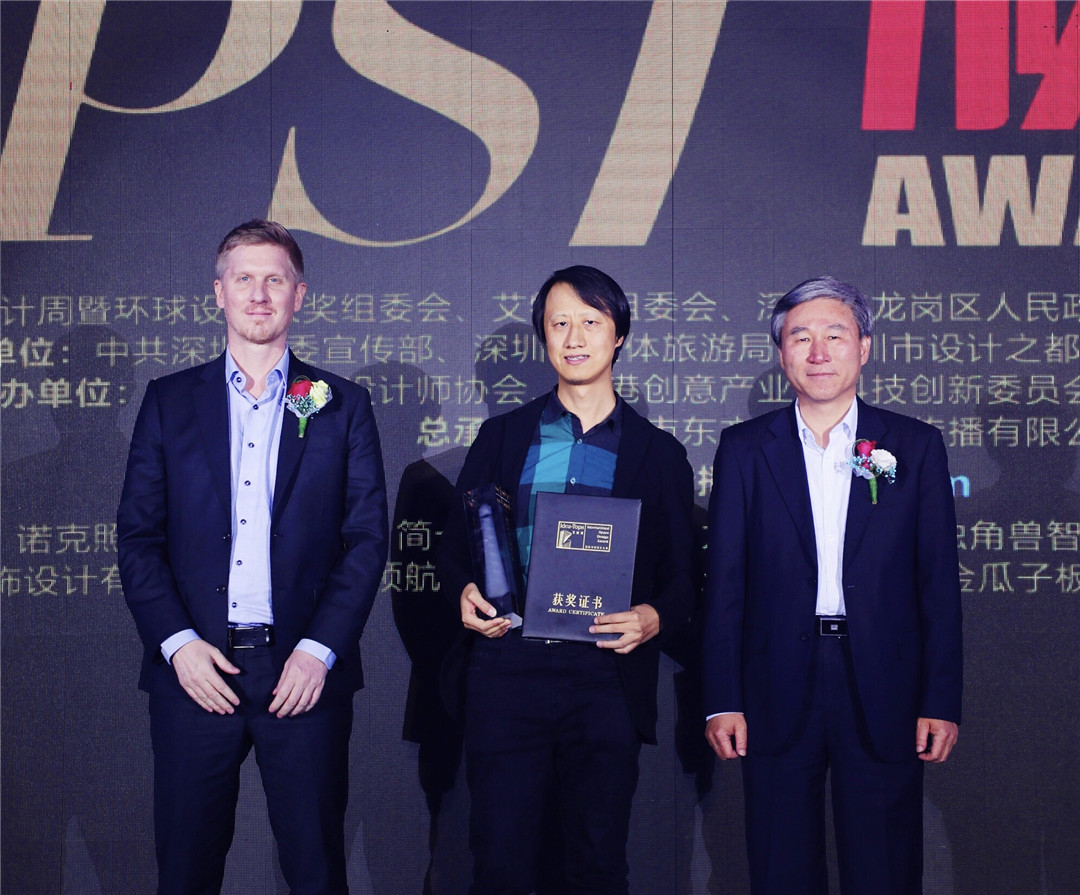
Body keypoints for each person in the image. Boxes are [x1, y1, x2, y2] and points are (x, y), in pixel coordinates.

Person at [117, 219, 388, 895]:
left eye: (275, 279)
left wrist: (318, 651)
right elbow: (139, 538)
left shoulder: (340, 405)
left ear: (299, 294)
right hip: (196, 673)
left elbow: (365, 540)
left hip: (300, 673)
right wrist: (178, 646)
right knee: (185, 871)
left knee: (317, 870)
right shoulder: (170, 400)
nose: (259, 294)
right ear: (219, 292)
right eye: (244, 278)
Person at [437, 265, 695, 895]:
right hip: (508, 667)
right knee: (499, 862)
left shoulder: (659, 453)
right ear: (544, 337)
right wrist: (465, 591)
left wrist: (654, 617)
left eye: (590, 321)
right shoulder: (503, 437)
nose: (574, 338)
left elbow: (684, 579)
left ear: (618, 335)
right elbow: (456, 548)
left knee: (596, 863)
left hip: (605, 675)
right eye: (559, 324)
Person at [701, 276, 963, 895]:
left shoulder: (913, 445)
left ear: (864, 347)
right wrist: (722, 698)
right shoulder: (745, 449)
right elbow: (726, 584)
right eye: (801, 338)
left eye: (835, 336)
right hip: (774, 681)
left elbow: (937, 584)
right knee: (779, 865)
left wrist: (940, 699)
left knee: (884, 867)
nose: (818, 353)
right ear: (782, 352)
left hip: (883, 681)